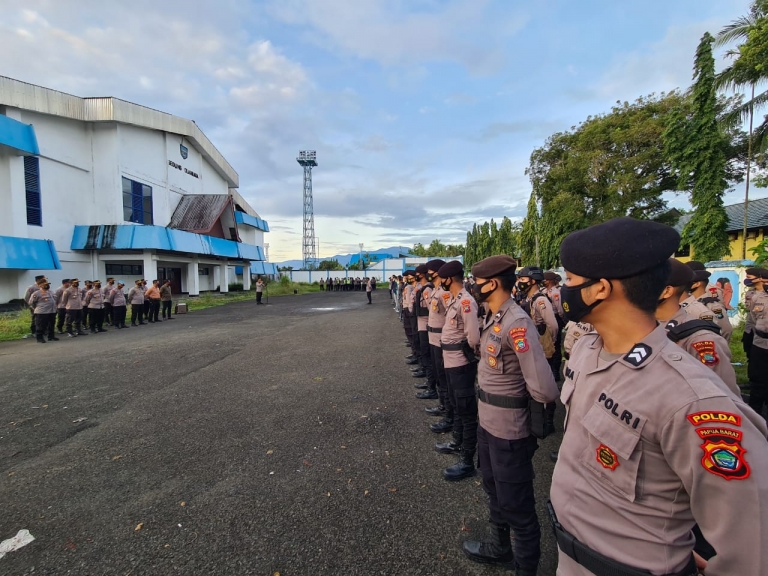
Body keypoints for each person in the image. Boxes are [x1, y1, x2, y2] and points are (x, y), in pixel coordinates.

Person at [549, 217, 768, 576]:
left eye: (570, 281)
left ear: (600, 289)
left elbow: (753, 553)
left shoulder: (692, 400)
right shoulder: (590, 350)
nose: (564, 289)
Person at [461, 255, 559, 575]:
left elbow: (544, 387)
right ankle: (499, 546)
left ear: (493, 283)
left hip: (509, 430)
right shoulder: (493, 315)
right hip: (488, 424)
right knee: (493, 488)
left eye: (478, 281)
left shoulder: (517, 322)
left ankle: (526, 567)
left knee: (517, 504)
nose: (473, 286)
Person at [656, 259, 740, 398]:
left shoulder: (702, 337)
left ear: (667, 291)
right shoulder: (644, 325)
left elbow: (724, 395)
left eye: (644, 284)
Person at [436, 260, 481, 481]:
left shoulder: (465, 302)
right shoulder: (455, 300)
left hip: (461, 363)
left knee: (466, 410)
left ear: (449, 278)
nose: (440, 282)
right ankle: (457, 442)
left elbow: (473, 338)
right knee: (456, 404)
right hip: (450, 361)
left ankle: (467, 460)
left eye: (442, 278)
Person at [517, 266, 560, 436]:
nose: (520, 282)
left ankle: (548, 421)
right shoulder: (528, 298)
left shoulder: (540, 300)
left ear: (533, 280)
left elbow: (554, 326)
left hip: (542, 345)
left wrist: (551, 342)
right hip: (532, 344)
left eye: (523, 279)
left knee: (544, 382)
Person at [424, 259, 451, 430]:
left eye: (430, 271)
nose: (427, 274)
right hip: (433, 338)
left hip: (442, 340)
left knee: (444, 378)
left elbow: (451, 315)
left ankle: (448, 414)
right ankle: (443, 406)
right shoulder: (436, 291)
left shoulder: (444, 293)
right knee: (439, 376)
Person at [684, 265, 733, 343]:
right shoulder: (687, 303)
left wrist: (719, 345)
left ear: (697, 284)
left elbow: (726, 329)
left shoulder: (712, 306)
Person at [744, 267, 768, 418]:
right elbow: (753, 318)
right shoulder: (756, 298)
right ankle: (754, 414)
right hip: (760, 342)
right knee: (758, 378)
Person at [414, 265, 438, 399]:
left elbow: (432, 310)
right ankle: (429, 383)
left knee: (428, 356)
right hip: (423, 325)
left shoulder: (428, 289)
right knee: (425, 355)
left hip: (427, 326)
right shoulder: (425, 288)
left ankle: (432, 387)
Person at [29, 278, 58, 343]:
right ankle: (39, 338)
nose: (47, 285)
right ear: (40, 286)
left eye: (47, 284)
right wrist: (37, 308)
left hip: (52, 311)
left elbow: (54, 300)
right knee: (41, 326)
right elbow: (31, 303)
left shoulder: (50, 292)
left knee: (51, 324)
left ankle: (51, 336)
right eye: (45, 285)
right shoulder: (36, 293)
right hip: (42, 312)